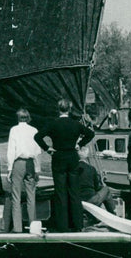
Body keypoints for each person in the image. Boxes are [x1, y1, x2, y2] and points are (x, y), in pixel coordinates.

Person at [34, 98, 94, 232]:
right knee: (74, 191)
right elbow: (90, 134)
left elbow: (37, 137)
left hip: (58, 158)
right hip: (72, 157)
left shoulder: (53, 124)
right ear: (70, 109)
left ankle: (62, 226)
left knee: (60, 193)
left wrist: (47, 148)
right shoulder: (75, 124)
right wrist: (79, 144)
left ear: (58, 109)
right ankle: (78, 224)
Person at [5, 108, 43, 231]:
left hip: (18, 163)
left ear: (18, 117)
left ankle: (18, 228)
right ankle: (33, 226)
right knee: (31, 196)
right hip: (31, 163)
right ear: (28, 117)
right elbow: (38, 151)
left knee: (16, 196)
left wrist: (9, 169)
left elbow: (11, 149)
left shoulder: (14, 130)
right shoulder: (34, 130)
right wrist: (37, 169)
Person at [76, 145, 117, 214]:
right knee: (106, 190)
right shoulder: (91, 169)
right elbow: (97, 187)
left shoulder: (72, 169)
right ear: (86, 155)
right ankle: (113, 214)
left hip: (76, 200)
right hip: (89, 200)